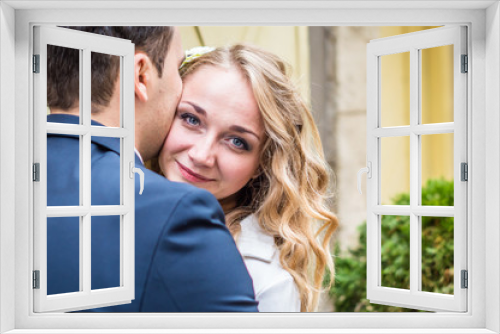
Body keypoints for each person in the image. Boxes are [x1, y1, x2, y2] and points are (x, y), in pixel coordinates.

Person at [46, 27, 258, 312]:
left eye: (237, 141)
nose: (201, 155)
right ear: (141, 75)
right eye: (177, 67)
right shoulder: (176, 215)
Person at [158, 44, 339, 312]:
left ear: (261, 164)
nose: (202, 155)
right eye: (191, 119)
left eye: (236, 141)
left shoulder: (267, 282)